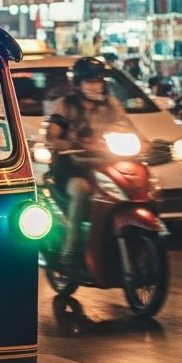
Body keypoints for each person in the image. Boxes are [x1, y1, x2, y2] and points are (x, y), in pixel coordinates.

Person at [45, 56, 130, 268]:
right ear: (78, 84)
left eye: (99, 81)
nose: (96, 86)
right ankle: (70, 250)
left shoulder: (111, 104)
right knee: (82, 190)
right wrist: (69, 143)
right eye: (90, 81)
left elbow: (129, 128)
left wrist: (148, 145)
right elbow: (52, 136)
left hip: (106, 167)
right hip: (73, 168)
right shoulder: (65, 105)